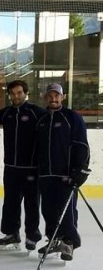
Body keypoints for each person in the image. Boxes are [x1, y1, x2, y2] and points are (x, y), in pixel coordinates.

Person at [34, 83, 90, 261]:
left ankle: (69, 242)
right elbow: (37, 147)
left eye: (57, 95)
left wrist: (80, 170)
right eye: (50, 95)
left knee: (67, 210)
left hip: (66, 174)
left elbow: (82, 145)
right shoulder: (41, 120)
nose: (53, 98)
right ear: (45, 97)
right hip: (45, 174)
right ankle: (54, 239)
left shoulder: (72, 117)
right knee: (48, 210)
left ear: (63, 97)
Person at [0, 80, 46, 251]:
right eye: (13, 93)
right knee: (10, 203)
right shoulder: (7, 113)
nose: (16, 96)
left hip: (31, 169)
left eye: (19, 93)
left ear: (25, 93)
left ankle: (32, 235)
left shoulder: (37, 112)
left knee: (31, 204)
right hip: (11, 168)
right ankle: (11, 233)